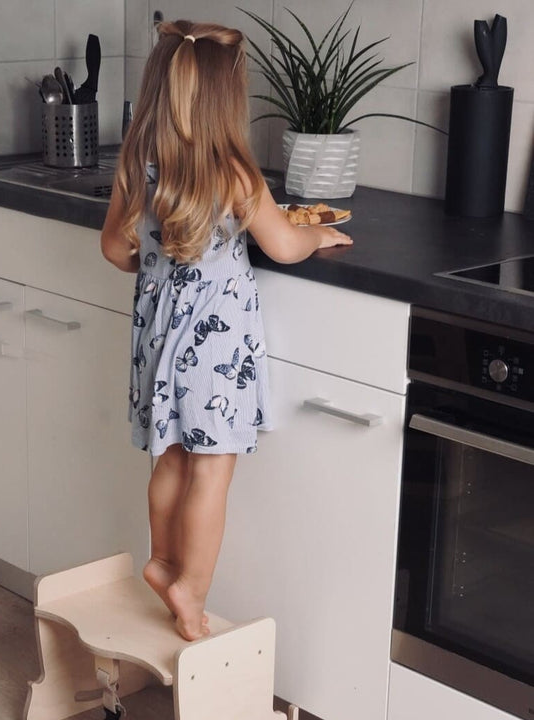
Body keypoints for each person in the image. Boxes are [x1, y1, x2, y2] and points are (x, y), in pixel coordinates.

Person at [101, 19, 352, 642]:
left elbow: (113, 248)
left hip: (160, 335)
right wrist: (319, 232)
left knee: (172, 458)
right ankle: (191, 588)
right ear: (226, 98)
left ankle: (161, 562)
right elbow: (285, 244)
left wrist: (151, 262)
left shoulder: (140, 161)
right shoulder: (235, 172)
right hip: (215, 349)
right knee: (213, 469)